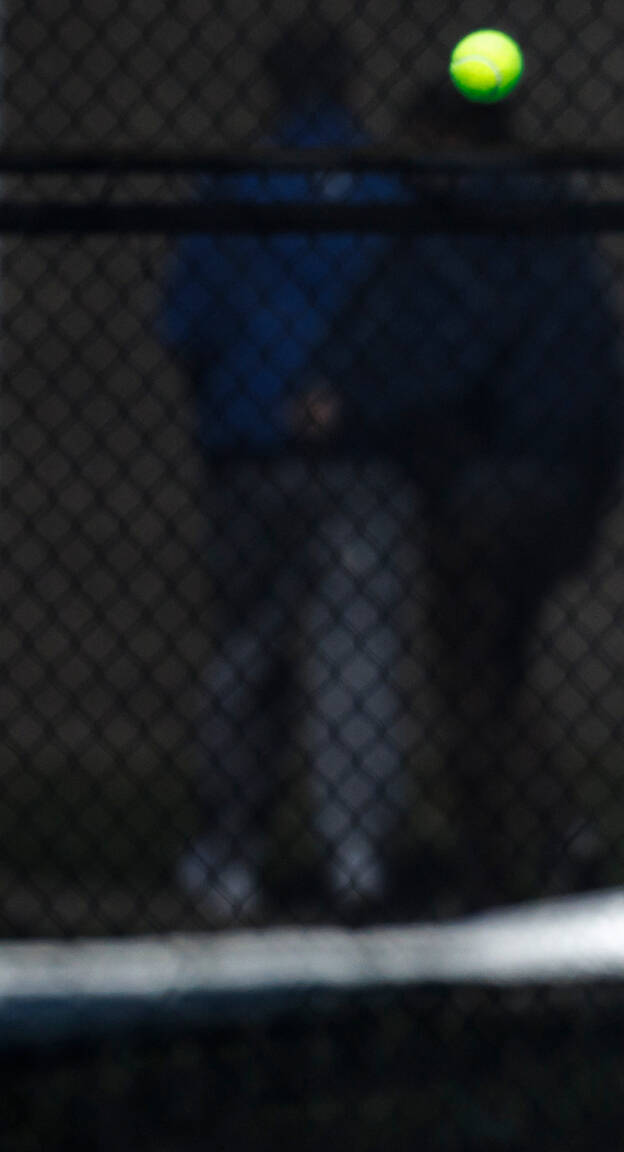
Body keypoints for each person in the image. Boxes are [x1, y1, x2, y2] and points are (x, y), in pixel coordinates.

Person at [320, 82, 624, 909]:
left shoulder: (461, 222)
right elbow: (604, 377)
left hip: (489, 477)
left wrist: (349, 403)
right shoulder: (546, 220)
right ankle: (558, 838)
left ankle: (495, 870)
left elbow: (444, 351)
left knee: (468, 679)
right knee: (500, 672)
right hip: (560, 474)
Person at [158, 16, 416, 921]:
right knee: (359, 652)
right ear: (347, 82)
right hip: (362, 446)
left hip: (251, 445)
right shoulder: (383, 187)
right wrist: (349, 391)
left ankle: (230, 855)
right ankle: (356, 858)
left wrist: (252, 390)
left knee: (249, 652)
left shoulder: (237, 184)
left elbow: (185, 323)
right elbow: (413, 318)